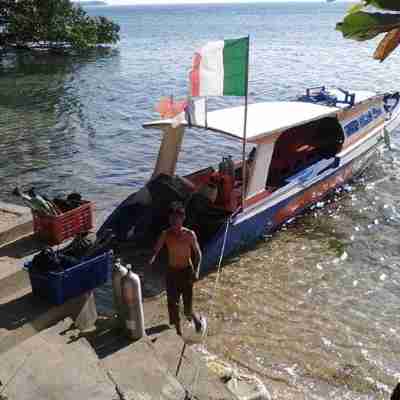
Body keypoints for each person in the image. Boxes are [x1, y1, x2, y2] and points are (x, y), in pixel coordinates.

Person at [149, 202, 202, 336]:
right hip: (172, 273)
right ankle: (178, 332)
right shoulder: (165, 234)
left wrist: (197, 271)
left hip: (187, 272)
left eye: (176, 219)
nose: (173, 222)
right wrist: (153, 257)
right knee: (173, 304)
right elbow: (157, 248)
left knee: (187, 309)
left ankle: (196, 320)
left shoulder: (190, 234)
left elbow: (198, 253)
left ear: (182, 218)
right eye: (171, 219)